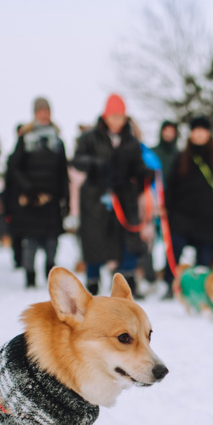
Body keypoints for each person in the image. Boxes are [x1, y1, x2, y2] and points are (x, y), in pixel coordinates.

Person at [71, 93, 150, 295]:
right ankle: (92, 280)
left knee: (129, 237)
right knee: (95, 238)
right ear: (105, 116)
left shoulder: (131, 141)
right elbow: (77, 160)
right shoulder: (89, 137)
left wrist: (144, 175)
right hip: (96, 196)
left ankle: (127, 280)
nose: (117, 121)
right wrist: (95, 164)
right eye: (113, 117)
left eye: (120, 117)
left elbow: (137, 168)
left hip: (124, 197)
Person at [163, 115, 213, 292]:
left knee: (205, 259)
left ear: (208, 133)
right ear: (190, 133)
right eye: (195, 130)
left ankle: (200, 288)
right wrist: (166, 208)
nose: (198, 134)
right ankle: (170, 284)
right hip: (182, 215)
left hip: (207, 218)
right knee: (174, 249)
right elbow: (170, 186)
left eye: (202, 130)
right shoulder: (180, 157)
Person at [7, 97, 69, 288]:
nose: (43, 114)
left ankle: (50, 274)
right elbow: (14, 168)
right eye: (40, 111)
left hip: (51, 200)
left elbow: (62, 172)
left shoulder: (58, 141)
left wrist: (65, 198)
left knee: (52, 241)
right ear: (34, 114)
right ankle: (30, 276)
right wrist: (29, 190)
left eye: (46, 111)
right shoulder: (24, 139)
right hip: (31, 200)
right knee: (31, 241)